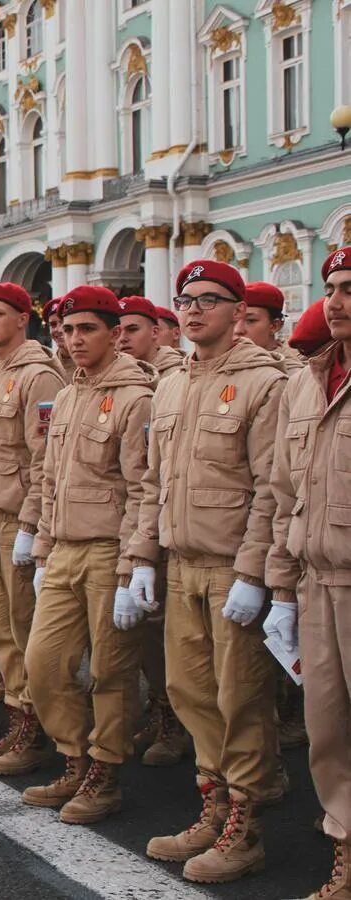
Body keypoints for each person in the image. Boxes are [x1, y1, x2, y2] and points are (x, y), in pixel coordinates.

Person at [125, 260, 287, 884]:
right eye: (185, 299)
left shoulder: (263, 383)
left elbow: (273, 488)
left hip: (229, 569)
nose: (192, 310)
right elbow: (151, 482)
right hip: (179, 563)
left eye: (209, 300)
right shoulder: (173, 383)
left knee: (241, 701)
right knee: (192, 693)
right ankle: (214, 808)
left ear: (235, 309)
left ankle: (245, 831)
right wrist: (142, 554)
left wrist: (253, 573)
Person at [21, 286, 153, 823]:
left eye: (87, 329)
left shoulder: (136, 396)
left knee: (112, 673)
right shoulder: (71, 394)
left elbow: (143, 488)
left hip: (108, 553)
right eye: (68, 330)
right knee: (43, 663)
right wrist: (43, 547)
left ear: (115, 334)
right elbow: (51, 478)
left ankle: (104, 773)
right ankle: (74, 756)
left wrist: (132, 568)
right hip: (65, 550)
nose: (74, 340)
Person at [263, 247, 351, 900]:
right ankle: (346, 852)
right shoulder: (307, 380)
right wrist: (280, 587)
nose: (339, 300)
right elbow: (281, 491)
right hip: (318, 581)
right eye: (332, 288)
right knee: (327, 729)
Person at [0, 283, 65, 762]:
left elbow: (44, 458)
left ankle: (36, 728)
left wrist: (30, 525)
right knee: (0, 630)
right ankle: (19, 721)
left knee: (25, 631)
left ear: (23, 318)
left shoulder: (39, 377)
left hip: (14, 522)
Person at [115, 295, 190, 767]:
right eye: (119, 329)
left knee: (167, 636)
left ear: (159, 333)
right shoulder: (131, 383)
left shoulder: (168, 380)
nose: (123, 338)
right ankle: (162, 710)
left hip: (171, 525)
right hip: (138, 522)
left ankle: (175, 722)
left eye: (134, 330)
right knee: (144, 634)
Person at [238, 281, 306, 374]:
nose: (238, 329)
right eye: (235, 320)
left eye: (250, 320)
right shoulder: (223, 364)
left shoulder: (290, 375)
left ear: (275, 325)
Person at [43, 297, 73, 374]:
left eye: (63, 322)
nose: (58, 330)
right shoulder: (48, 366)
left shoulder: (93, 364)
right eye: (53, 324)